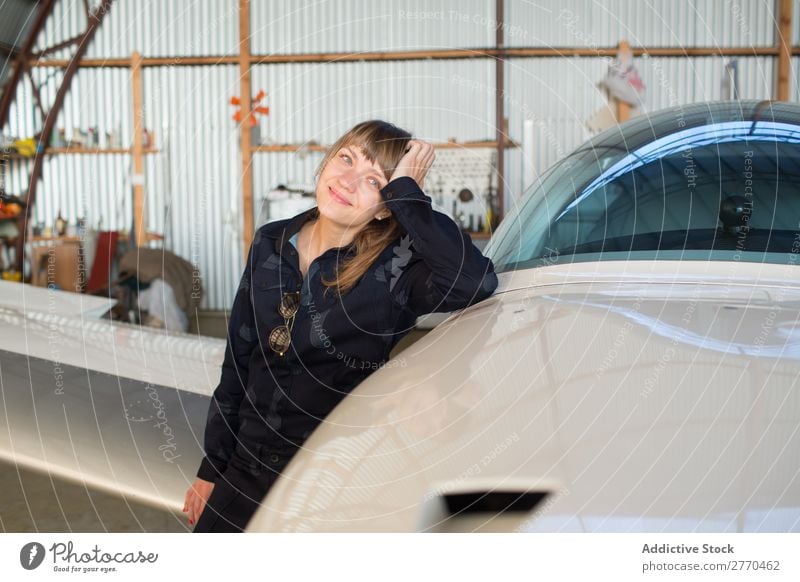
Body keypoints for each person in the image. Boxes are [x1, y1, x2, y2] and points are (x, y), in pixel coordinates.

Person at [183, 120, 498, 532]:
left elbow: (474, 282)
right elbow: (238, 364)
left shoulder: (396, 273)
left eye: (373, 180)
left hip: (334, 481)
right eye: (346, 158)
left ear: (386, 205)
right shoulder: (271, 241)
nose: (348, 181)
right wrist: (213, 468)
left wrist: (408, 195)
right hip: (246, 467)